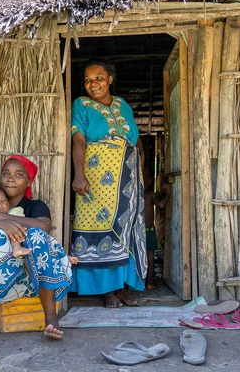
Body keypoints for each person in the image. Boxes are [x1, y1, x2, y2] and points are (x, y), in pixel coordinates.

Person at [0, 155, 72, 351]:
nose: (11, 178)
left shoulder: (36, 206)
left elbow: (44, 228)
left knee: (37, 236)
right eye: (6, 174)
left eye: (19, 174)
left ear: (29, 181)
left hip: (31, 282)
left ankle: (50, 317)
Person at [69, 58, 147, 308]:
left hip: (128, 176)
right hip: (98, 175)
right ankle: (106, 290)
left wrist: (140, 167)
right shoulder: (81, 104)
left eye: (99, 78)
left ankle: (123, 287)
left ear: (110, 80)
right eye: (88, 80)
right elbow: (78, 140)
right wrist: (79, 174)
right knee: (99, 226)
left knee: (126, 229)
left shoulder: (123, 105)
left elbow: (136, 138)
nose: (93, 84)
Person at [143, 166, 169, 290]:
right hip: (149, 231)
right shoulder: (150, 195)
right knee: (150, 257)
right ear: (149, 182)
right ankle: (150, 282)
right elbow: (162, 205)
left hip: (137, 231)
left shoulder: (135, 195)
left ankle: (137, 283)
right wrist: (167, 193)